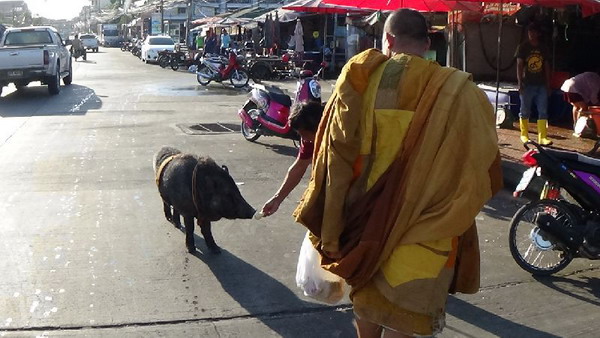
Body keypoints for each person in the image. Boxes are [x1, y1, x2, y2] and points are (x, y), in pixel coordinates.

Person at [293, 9, 502, 337]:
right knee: (404, 316)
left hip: (365, 225)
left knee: (368, 305)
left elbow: (335, 157)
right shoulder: (462, 92)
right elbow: (483, 167)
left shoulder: (360, 79)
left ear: (387, 39)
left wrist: (331, 231)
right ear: (428, 42)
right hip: (429, 230)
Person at [261, 102, 323, 217]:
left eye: (305, 134)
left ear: (319, 126)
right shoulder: (309, 140)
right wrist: (277, 199)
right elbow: (299, 167)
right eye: (300, 135)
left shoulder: (338, 134)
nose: (304, 139)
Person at [516, 23, 552, 145]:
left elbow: (546, 66)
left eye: (533, 32)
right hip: (527, 84)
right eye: (529, 32)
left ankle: (542, 137)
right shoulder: (523, 47)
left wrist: (548, 84)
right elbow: (519, 66)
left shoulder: (543, 48)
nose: (531, 34)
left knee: (543, 110)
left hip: (541, 84)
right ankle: (524, 135)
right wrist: (520, 82)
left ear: (538, 34)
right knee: (525, 110)